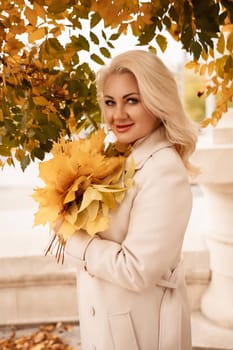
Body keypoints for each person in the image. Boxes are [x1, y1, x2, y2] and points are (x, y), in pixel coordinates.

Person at [65, 49, 199, 350]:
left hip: (141, 332)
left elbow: (137, 269)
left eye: (132, 100)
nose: (118, 115)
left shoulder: (164, 170)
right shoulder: (122, 157)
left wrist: (74, 242)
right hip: (111, 327)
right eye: (110, 102)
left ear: (156, 100)